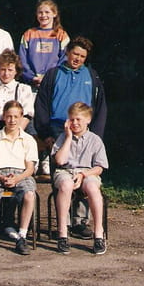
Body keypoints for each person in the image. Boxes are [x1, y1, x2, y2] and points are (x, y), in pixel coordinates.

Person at [34, 36, 107, 239]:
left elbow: (101, 107)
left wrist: (95, 136)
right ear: (67, 52)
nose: (78, 59)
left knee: (84, 174)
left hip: (84, 131)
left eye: (82, 56)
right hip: (58, 129)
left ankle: (80, 222)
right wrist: (45, 134)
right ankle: (63, 224)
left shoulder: (91, 76)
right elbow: (41, 105)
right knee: (63, 178)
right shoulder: (53, 74)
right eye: (75, 54)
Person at [0, 100, 38, 256]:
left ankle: (22, 237)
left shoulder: (28, 139)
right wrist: (1, 177)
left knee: (29, 194)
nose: (12, 120)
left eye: (16, 117)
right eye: (9, 116)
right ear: (4, 117)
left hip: (21, 174)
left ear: (21, 118)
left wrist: (17, 179)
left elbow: (30, 169)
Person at [52, 102, 109, 255]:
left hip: (87, 172)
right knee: (66, 185)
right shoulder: (63, 137)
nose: (75, 123)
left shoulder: (95, 140)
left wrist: (84, 175)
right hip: (65, 171)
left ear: (88, 120)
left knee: (92, 187)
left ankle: (98, 233)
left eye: (78, 119)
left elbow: (100, 168)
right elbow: (60, 161)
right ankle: (62, 232)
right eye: (71, 119)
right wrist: (68, 138)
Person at [18, 0, 70, 89]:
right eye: (40, 12)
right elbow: (22, 60)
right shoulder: (29, 34)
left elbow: (64, 60)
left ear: (54, 13)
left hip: (54, 83)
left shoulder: (61, 35)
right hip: (32, 84)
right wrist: (32, 77)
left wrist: (50, 77)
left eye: (47, 12)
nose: (43, 15)